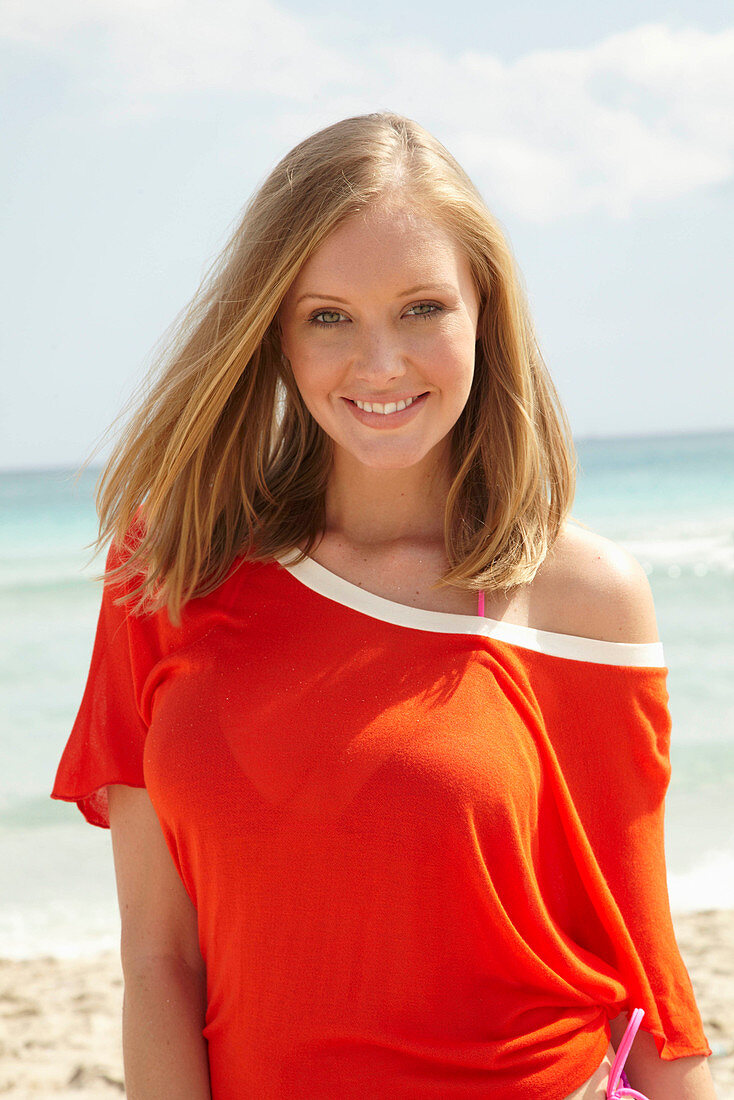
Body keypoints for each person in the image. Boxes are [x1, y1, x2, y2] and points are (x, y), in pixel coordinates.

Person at [51, 111, 716, 1099]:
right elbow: (158, 959)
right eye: (328, 315)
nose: (379, 363)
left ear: (481, 314)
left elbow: (645, 974)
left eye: (419, 308)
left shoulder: (581, 598)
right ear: (273, 330)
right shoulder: (168, 568)